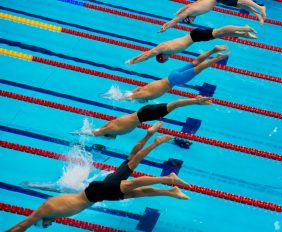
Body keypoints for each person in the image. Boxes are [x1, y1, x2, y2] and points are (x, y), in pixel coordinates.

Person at [6, 122, 190, 231]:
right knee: (132, 174)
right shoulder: (51, 211)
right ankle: (170, 189)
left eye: (44, 226)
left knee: (131, 183)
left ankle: (168, 179)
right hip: (95, 192)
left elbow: (21, 226)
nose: (48, 226)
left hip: (94, 194)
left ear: (41, 221)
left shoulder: (43, 212)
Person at [73, 95, 212, 138]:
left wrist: (79, 133)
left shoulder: (115, 129)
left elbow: (97, 132)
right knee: (174, 104)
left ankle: (196, 101)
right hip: (143, 112)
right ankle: (196, 101)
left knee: (174, 105)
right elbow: (98, 131)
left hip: (144, 114)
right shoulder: (112, 127)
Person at [123, 45, 229, 101]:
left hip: (175, 80)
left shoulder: (146, 94)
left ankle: (216, 58)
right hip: (172, 75)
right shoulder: (140, 89)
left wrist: (123, 98)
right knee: (195, 62)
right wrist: (128, 95)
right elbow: (135, 92)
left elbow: (134, 96)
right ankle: (213, 50)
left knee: (198, 68)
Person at [127, 25, 256, 64]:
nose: (167, 59)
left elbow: (148, 54)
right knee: (221, 34)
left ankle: (244, 28)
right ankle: (244, 34)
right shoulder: (168, 51)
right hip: (196, 38)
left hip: (195, 36)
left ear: (162, 56)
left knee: (221, 31)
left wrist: (133, 60)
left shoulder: (163, 48)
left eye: (164, 60)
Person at [160, 0, 267, 32]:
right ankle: (258, 14)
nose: (193, 21)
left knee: (240, 1)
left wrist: (166, 26)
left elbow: (176, 20)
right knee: (239, 5)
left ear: (187, 18)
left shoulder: (189, 11)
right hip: (218, 0)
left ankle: (260, 8)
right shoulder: (191, 10)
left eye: (190, 21)